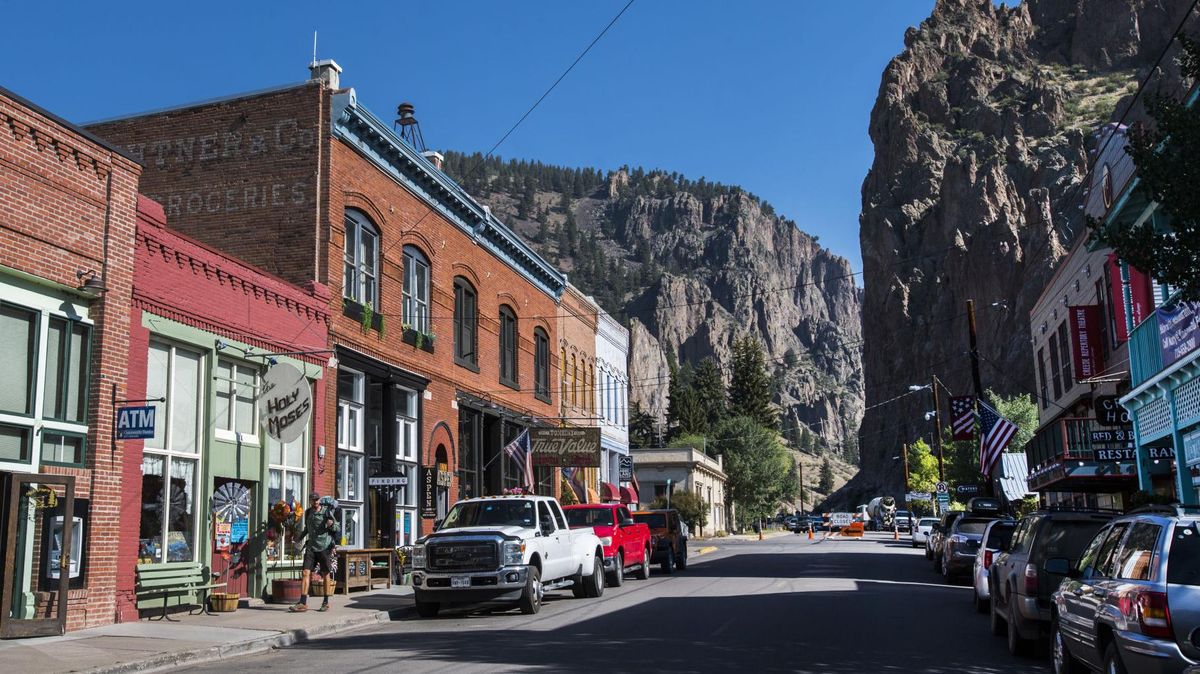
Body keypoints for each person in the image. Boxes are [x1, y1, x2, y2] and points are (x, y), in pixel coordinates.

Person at [290, 491, 340, 612]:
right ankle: (302, 602)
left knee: (325, 573)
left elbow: (337, 527)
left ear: (319, 501)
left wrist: (332, 524)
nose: (315, 502)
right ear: (310, 501)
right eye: (313, 500)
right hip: (311, 547)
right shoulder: (308, 512)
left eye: (317, 500)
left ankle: (326, 602)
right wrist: (299, 538)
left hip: (324, 547)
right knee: (305, 572)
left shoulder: (326, 512)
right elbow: (307, 529)